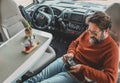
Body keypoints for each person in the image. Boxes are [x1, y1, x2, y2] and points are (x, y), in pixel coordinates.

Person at [23, 11, 119, 83]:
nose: (90, 34)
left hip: (77, 75)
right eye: (89, 30)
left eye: (94, 33)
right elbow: (74, 43)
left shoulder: (112, 49)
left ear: (106, 31)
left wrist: (82, 68)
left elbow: (110, 79)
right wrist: (71, 53)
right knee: (36, 78)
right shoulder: (88, 32)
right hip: (66, 61)